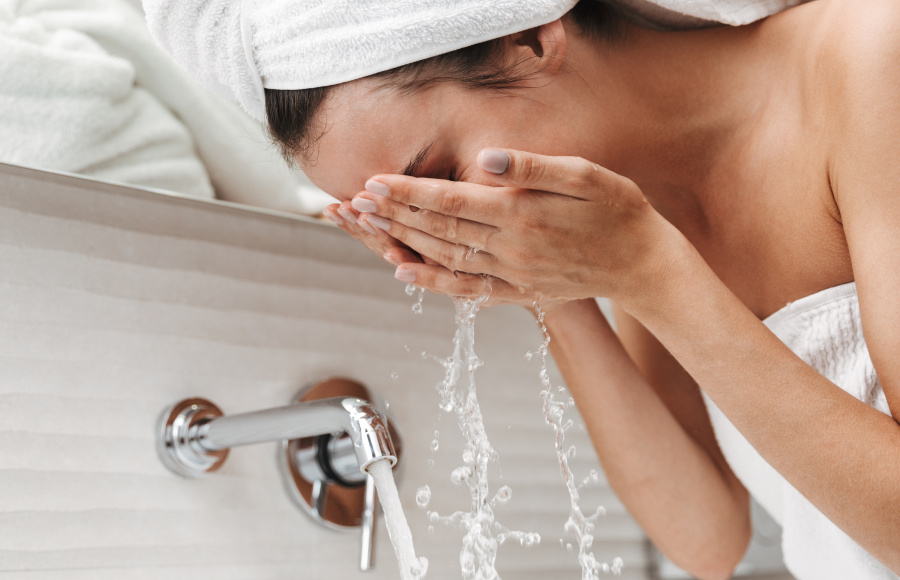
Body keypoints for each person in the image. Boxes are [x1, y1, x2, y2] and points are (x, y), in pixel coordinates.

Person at [147, 0, 900, 578]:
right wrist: (547, 290)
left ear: (531, 40)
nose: (455, 222)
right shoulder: (633, 209)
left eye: (439, 181)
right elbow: (709, 538)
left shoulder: (874, 63)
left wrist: (653, 277)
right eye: (414, 218)